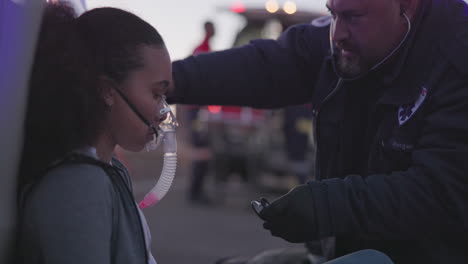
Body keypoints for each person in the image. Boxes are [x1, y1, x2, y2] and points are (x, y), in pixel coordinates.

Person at [168, 0, 468, 262]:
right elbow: (268, 65)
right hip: (352, 252)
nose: (338, 34)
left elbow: (443, 191)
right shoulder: (339, 42)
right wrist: (166, 81)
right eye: (333, 14)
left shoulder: (457, 57)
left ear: (407, 4)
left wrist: (326, 206)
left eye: (353, 17)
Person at [16, 3, 172, 264]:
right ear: (107, 90)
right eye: (156, 94)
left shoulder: (109, 170)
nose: (163, 112)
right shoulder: (76, 184)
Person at [186, 21, 216, 204]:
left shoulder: (206, 48)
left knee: (203, 151)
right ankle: (195, 192)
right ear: (207, 30)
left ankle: (197, 191)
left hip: (200, 110)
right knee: (201, 151)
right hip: (197, 112)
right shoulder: (202, 50)